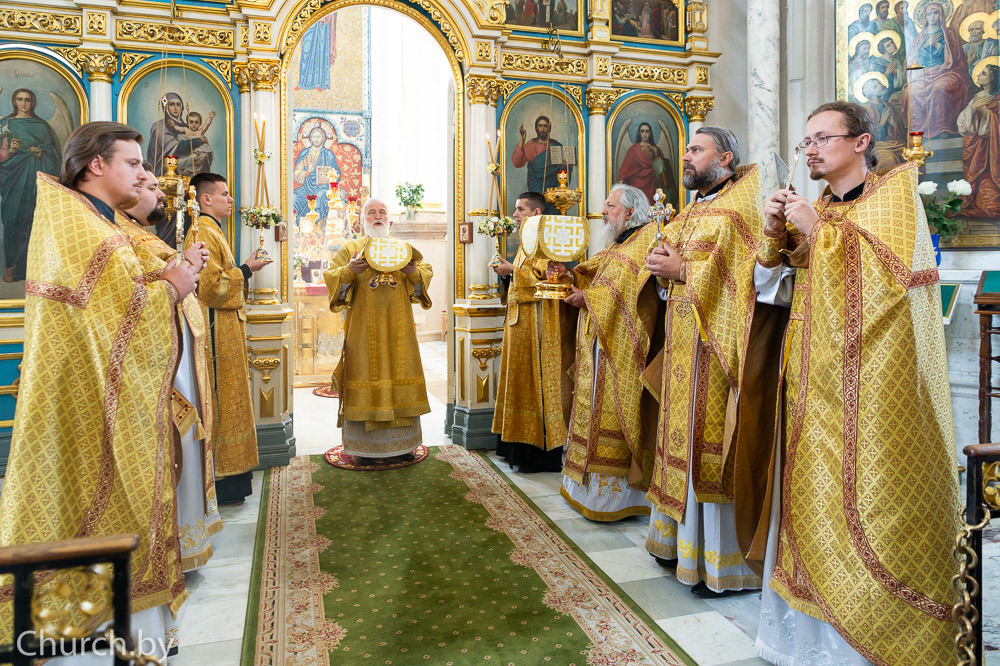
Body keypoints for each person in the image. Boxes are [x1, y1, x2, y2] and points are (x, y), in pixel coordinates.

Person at [749, 101, 960, 665]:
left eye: (823, 138)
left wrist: (817, 231)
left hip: (876, 393)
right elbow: (783, 278)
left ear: (861, 142)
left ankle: (871, 639)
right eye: (807, 141)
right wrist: (777, 232)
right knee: (812, 505)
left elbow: (890, 286)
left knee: (873, 504)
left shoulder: (894, 196)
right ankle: (814, 643)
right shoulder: (822, 203)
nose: (811, 149)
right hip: (813, 388)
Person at [0, 121, 203, 660]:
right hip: (88, 410)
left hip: (107, 399)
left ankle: (138, 640)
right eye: (134, 163)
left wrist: (164, 285)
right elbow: (123, 317)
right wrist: (172, 289)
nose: (146, 172)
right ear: (97, 165)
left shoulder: (93, 220)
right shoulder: (82, 226)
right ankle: (102, 644)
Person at [642, 127, 773, 599]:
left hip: (717, 353)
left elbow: (746, 280)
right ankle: (677, 546)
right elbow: (669, 274)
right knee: (678, 441)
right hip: (681, 346)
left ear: (726, 156)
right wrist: (662, 275)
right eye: (686, 152)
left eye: (696, 150)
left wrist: (684, 271)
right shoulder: (691, 210)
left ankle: (718, 560)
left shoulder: (741, 208)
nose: (687, 159)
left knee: (710, 446)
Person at [123, 162, 221, 572]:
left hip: (179, 360)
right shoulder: (118, 238)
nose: (161, 194)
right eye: (147, 184)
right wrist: (178, 274)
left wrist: (183, 269)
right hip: (161, 370)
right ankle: (174, 546)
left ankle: (187, 537)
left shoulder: (138, 236)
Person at [549, 184, 659, 521]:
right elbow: (596, 271)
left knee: (613, 413)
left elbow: (633, 294)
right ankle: (583, 489)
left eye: (610, 206)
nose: (604, 212)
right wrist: (569, 274)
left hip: (623, 350)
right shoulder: (620, 242)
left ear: (629, 211)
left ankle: (616, 500)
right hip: (598, 343)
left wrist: (588, 299)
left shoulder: (648, 238)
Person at [323, 198, 434, 464]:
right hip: (363, 334)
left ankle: (403, 445)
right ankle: (364, 450)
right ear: (362, 220)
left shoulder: (404, 249)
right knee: (365, 375)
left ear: (390, 220)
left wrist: (413, 272)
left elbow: (425, 274)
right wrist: (349, 271)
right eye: (371, 212)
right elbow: (332, 279)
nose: (377, 216)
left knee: (401, 375)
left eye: (382, 212)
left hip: (400, 333)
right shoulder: (351, 249)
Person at [186, 172, 267, 505]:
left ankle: (233, 478)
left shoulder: (212, 230)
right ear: (206, 199)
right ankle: (223, 480)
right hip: (217, 336)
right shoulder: (202, 232)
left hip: (226, 332)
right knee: (221, 402)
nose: (231, 200)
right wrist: (247, 269)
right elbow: (210, 287)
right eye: (224, 194)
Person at [491, 191, 574, 473]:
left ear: (536, 213)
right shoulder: (526, 240)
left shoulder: (546, 240)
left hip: (537, 325)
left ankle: (536, 454)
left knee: (533, 383)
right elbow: (521, 277)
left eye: (520, 209)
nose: (515, 215)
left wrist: (511, 270)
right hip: (519, 324)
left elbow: (544, 279)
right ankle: (513, 446)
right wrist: (507, 273)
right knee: (518, 383)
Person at [0, 88, 62, 282]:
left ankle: (32, 267)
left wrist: (41, 153)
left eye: (27, 100)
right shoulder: (5, 125)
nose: (24, 104)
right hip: (12, 182)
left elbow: (55, 155)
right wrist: (11, 151)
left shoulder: (41, 126)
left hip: (35, 181)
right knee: (11, 221)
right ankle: (11, 267)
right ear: (14, 102)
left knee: (32, 222)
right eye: (20, 99)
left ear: (32, 102)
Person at [901, 2, 972, 137]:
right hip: (923, 75)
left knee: (940, 88)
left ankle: (942, 128)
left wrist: (937, 46)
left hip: (947, 72)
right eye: (929, 13)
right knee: (911, 91)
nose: (933, 16)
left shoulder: (950, 35)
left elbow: (956, 58)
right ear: (925, 17)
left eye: (936, 13)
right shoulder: (919, 38)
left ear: (941, 15)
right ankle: (918, 132)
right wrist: (927, 45)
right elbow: (912, 62)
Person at [958, 63, 1000, 216]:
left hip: (994, 151)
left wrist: (984, 111)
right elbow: (963, 124)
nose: (978, 76)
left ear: (993, 78)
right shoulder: (978, 97)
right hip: (977, 148)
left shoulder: (997, 98)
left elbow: (992, 127)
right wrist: (975, 109)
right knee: (976, 186)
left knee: (989, 200)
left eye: (983, 73)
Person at [512, 116, 572, 214]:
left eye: (545, 126)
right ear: (536, 128)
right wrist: (522, 141)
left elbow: (563, 171)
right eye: (540, 126)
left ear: (549, 128)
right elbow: (517, 163)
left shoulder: (556, 146)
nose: (543, 129)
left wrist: (565, 166)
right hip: (536, 185)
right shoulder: (531, 145)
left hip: (553, 188)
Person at [147, 92, 213, 177]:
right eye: (171, 104)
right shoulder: (159, 127)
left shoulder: (186, 126)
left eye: (178, 105)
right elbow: (178, 148)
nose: (175, 108)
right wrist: (200, 140)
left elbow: (201, 145)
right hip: (165, 173)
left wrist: (205, 154)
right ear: (166, 107)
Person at [618, 122, 677, 207]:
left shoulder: (655, 149)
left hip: (652, 183)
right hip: (636, 185)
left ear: (650, 133)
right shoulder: (633, 149)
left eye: (647, 131)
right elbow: (625, 169)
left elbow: (661, 169)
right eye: (642, 131)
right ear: (639, 133)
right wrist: (619, 188)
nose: (645, 134)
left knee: (651, 207)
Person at [294, 125, 341, 221]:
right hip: (306, 188)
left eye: (319, 137)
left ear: (323, 139)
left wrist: (330, 174)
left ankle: (318, 230)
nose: (316, 139)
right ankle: (297, 228)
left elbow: (337, 173)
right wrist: (307, 171)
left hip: (322, 187)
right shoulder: (305, 153)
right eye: (314, 137)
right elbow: (296, 174)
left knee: (320, 197)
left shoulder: (328, 154)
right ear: (310, 138)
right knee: (294, 198)